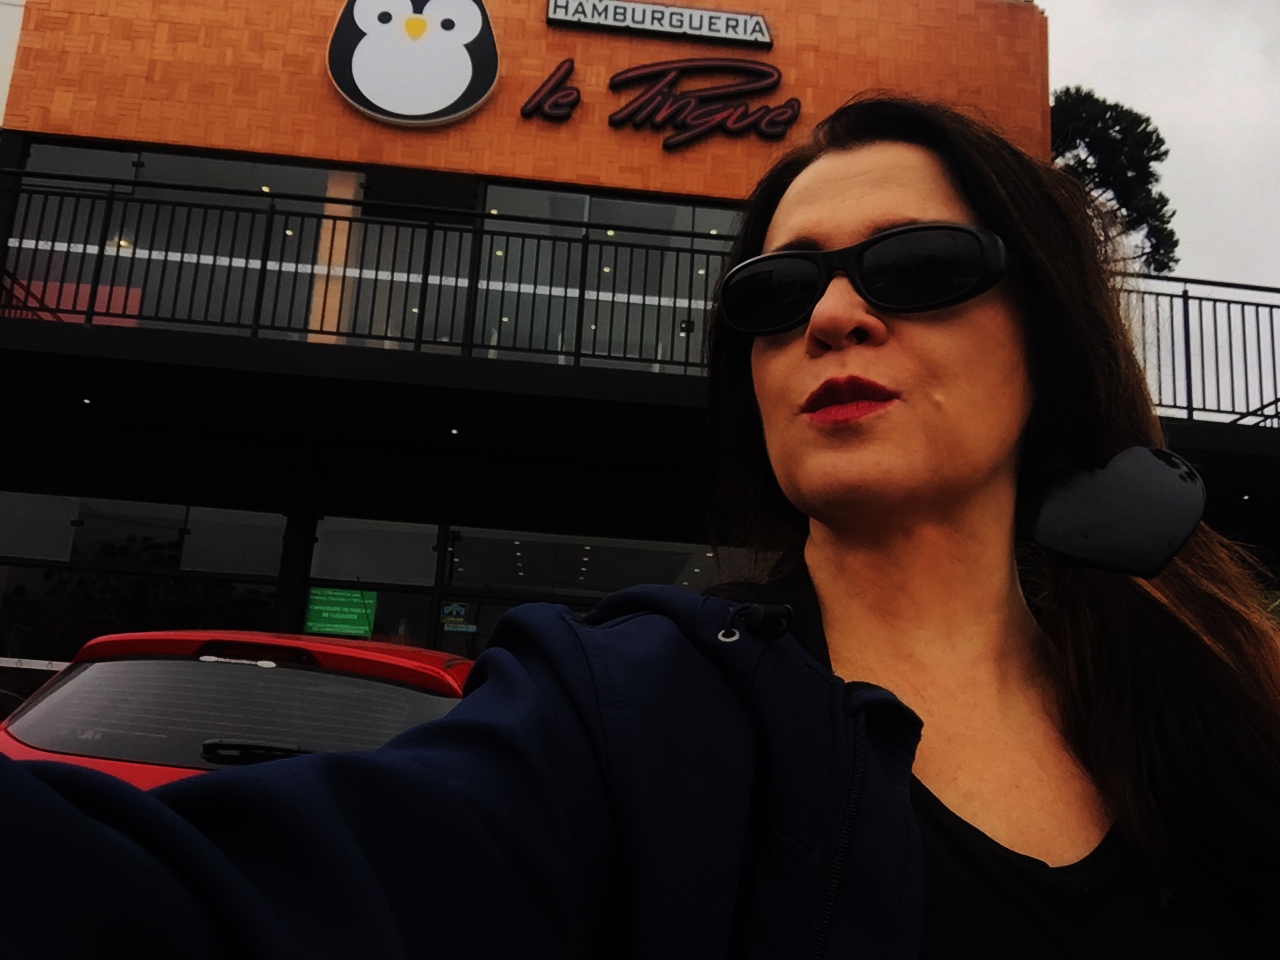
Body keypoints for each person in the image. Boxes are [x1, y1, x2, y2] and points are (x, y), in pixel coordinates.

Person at [4, 96, 1280, 958]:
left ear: (1047, 340)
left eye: (916, 268)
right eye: (775, 291)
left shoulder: (1209, 698)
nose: (829, 315)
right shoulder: (629, 711)